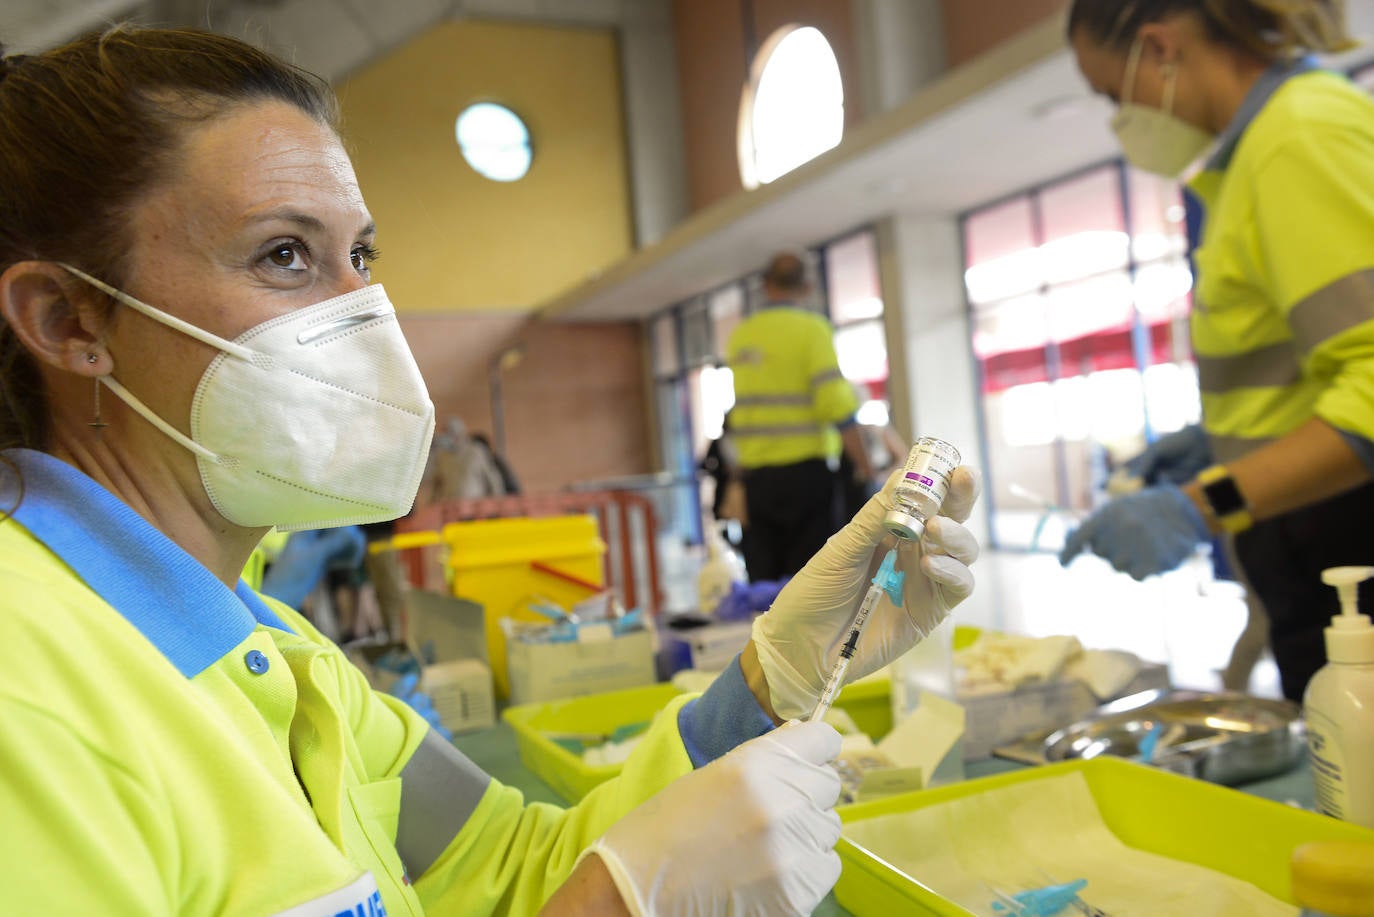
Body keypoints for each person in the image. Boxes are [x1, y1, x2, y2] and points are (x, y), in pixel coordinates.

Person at [0, 27, 982, 915]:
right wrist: (609, 906)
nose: (364, 312)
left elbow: (515, 860)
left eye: (363, 253)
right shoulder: (26, 697)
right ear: (69, 319)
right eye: (287, 254)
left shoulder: (286, 656)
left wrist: (776, 673)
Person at [1059, 0, 1374, 701]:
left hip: (1349, 548)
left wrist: (1200, 503)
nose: (1120, 118)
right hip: (1308, 547)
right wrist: (1219, 441)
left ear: (1161, 48)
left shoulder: (1298, 136)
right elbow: (1309, 365)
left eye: (1114, 93)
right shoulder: (1251, 158)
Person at [727, 252, 876, 581]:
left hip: (758, 481)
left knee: (765, 582)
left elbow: (740, 416)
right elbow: (834, 405)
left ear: (766, 286)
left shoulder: (742, 336)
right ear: (808, 287)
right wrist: (865, 466)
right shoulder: (812, 330)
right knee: (812, 583)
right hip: (806, 479)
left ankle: (763, 634)